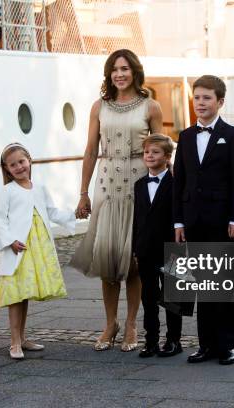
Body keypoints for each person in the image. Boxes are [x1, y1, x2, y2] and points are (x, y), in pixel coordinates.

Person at [68, 49, 163, 352]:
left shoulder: (152, 106)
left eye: (125, 69)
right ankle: (110, 324)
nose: (119, 74)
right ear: (109, 74)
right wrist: (83, 193)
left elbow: (161, 152)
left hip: (139, 185)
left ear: (135, 71)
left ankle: (132, 323)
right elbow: (90, 151)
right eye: (114, 70)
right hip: (107, 186)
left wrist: (164, 194)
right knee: (108, 259)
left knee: (135, 261)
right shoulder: (100, 107)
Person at [173, 75, 234, 365]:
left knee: (222, 284)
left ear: (220, 102)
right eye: (197, 98)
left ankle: (226, 344)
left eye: (207, 98)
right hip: (193, 220)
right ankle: (205, 345)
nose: (200, 103)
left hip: (221, 221)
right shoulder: (186, 136)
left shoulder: (231, 136)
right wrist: (178, 222)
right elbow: (180, 181)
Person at [0, 143, 75, 359]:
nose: (19, 167)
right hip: (18, 247)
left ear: (29, 160)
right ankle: (13, 342)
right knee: (15, 295)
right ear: (7, 169)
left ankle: (22, 338)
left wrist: (73, 214)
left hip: (36, 247)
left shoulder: (39, 188)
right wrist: (10, 240)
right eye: (13, 165)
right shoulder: (8, 191)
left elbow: (51, 212)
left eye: (22, 161)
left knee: (26, 293)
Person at [133, 134, 185, 358]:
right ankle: (151, 340)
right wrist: (135, 247)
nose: (149, 156)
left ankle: (174, 341)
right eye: (146, 152)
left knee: (173, 297)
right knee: (149, 297)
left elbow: (181, 215)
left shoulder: (176, 183)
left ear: (167, 156)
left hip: (171, 247)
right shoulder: (139, 185)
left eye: (155, 152)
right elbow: (137, 219)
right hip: (145, 249)